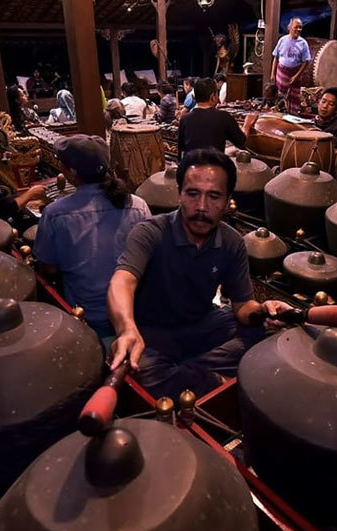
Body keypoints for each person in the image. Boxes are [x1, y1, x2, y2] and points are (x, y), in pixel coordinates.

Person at [106, 148, 292, 398]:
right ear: (180, 194)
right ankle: (210, 378)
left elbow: (242, 306)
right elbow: (122, 281)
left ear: (227, 200)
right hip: (153, 333)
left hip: (202, 324)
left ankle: (190, 375)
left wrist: (264, 311)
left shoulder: (231, 241)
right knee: (140, 369)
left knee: (271, 334)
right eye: (193, 194)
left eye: (214, 196)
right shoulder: (150, 232)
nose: (202, 207)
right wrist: (126, 329)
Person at [34, 135, 151, 338]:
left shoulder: (55, 214)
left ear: (72, 173)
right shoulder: (138, 205)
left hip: (88, 317)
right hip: (134, 310)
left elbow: (49, 267)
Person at [177, 78, 258, 157]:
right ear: (213, 97)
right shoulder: (224, 117)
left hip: (190, 164)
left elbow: (181, 147)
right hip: (214, 164)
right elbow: (241, 142)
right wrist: (247, 124)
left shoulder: (184, 119)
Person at [271, 18, 311, 113]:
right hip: (281, 72)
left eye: (300, 27)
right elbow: (276, 57)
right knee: (280, 97)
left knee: (294, 99)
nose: (298, 29)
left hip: (294, 73)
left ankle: (292, 115)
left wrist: (296, 76)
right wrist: (273, 74)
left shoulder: (303, 43)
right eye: (296, 27)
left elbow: (306, 62)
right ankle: (279, 115)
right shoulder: (282, 40)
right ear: (289, 28)